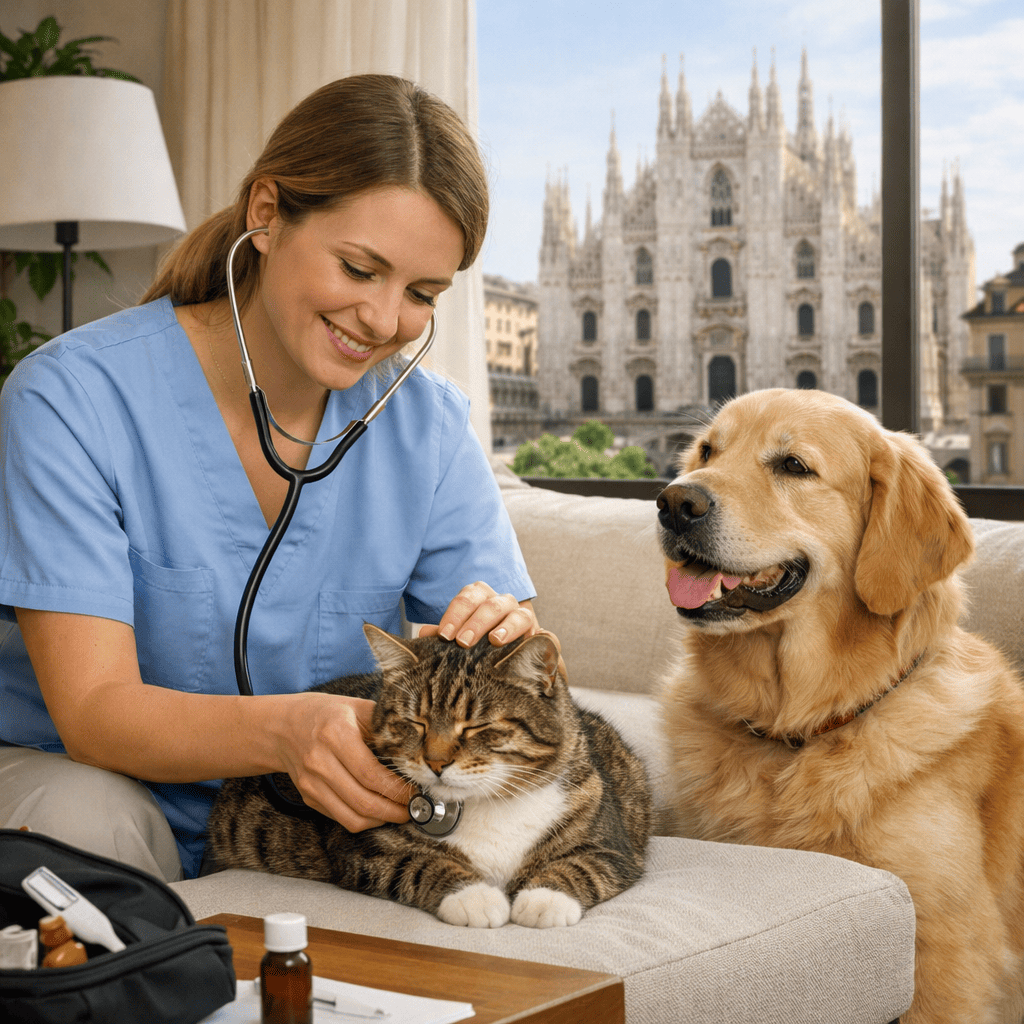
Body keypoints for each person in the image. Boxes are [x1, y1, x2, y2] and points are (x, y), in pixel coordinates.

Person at [0, 75, 544, 881]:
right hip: (96, 787)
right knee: (93, 823)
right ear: (266, 214)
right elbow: (92, 712)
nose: (384, 320)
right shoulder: (70, 398)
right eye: (358, 268)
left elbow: (510, 669)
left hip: (306, 821)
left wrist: (502, 634)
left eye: (422, 293)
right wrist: (289, 734)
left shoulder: (428, 428)